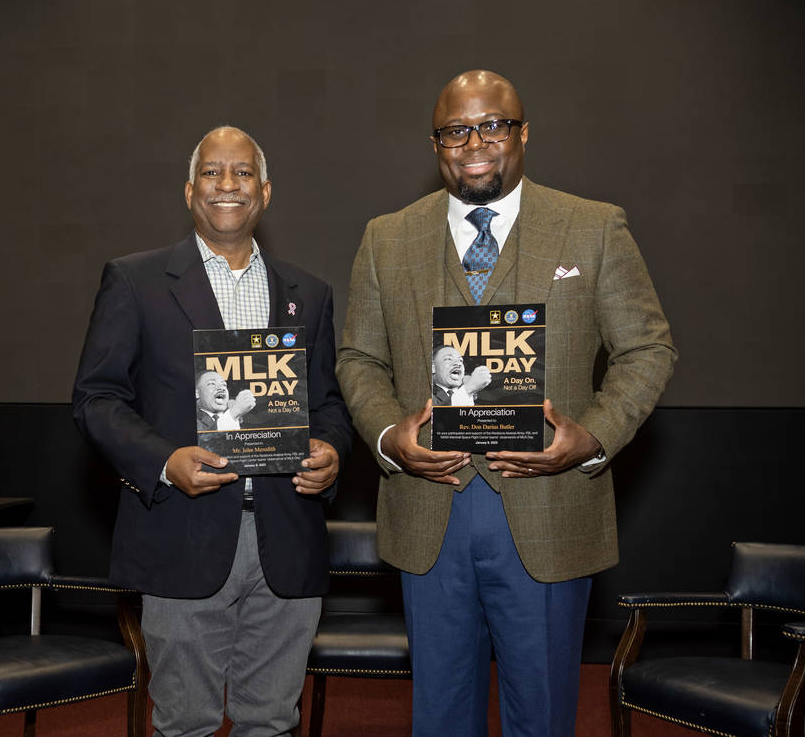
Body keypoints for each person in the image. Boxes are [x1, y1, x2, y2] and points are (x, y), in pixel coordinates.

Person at [336, 70, 677, 736]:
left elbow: (647, 349)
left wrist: (593, 438)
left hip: (549, 512)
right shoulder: (386, 237)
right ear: (436, 144)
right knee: (440, 715)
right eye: (455, 130)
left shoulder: (593, 228)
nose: (474, 141)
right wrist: (386, 437)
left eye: (492, 124)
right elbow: (359, 359)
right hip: (428, 512)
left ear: (522, 132)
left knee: (543, 714)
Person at [73, 125, 351, 737]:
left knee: (272, 721)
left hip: (288, 536)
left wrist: (331, 446)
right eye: (212, 172)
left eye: (243, 173)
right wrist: (165, 460)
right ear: (189, 190)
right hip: (182, 536)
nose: (228, 185)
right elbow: (96, 399)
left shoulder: (311, 294)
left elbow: (328, 402)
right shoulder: (134, 281)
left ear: (266, 192)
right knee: (185, 723)